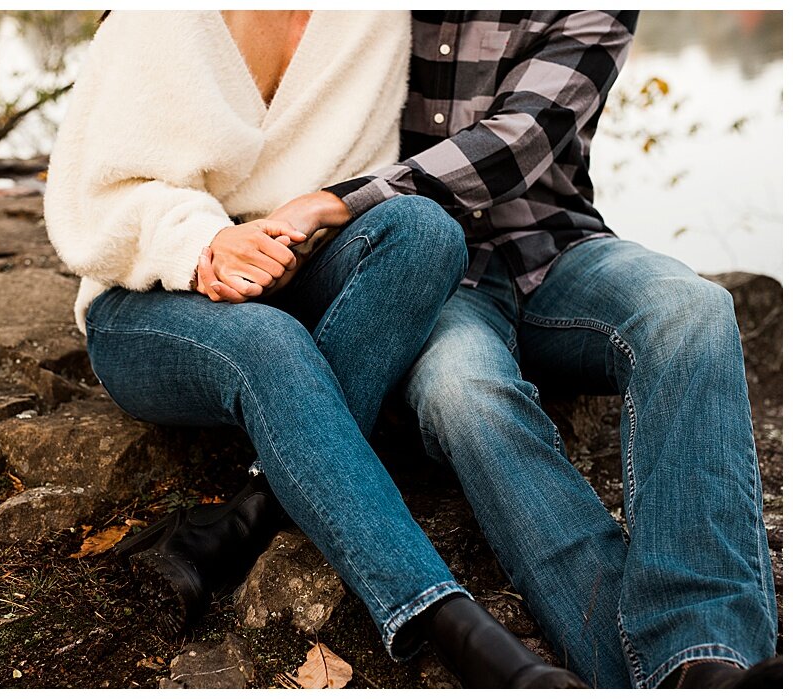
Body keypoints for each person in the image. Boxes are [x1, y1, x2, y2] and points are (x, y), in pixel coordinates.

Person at [46, 11, 582, 688]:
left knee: (425, 228)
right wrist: (201, 243)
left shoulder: (373, 19)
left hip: (289, 274)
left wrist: (287, 246)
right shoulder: (163, 16)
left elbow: (365, 180)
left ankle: (254, 510)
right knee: (272, 341)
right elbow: (91, 201)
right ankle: (454, 624)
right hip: (150, 292)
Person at [258, 10, 779, 689]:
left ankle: (704, 644)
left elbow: (517, 141)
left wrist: (333, 202)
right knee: (462, 392)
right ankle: (666, 675)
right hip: (434, 273)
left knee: (694, 309)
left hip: (554, 250)